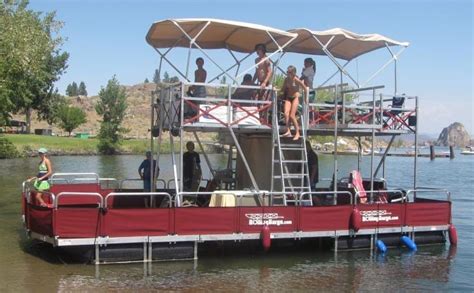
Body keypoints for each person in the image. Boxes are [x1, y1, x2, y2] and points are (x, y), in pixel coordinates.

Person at [281, 65, 309, 140]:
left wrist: (306, 99)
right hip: (288, 98)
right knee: (286, 113)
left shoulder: (296, 80)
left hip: (295, 98)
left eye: (289, 72)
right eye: (287, 72)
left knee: (292, 115)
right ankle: (288, 130)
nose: (288, 73)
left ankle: (297, 133)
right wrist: (276, 89)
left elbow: (305, 89)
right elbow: (282, 89)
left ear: (293, 73)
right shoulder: (286, 79)